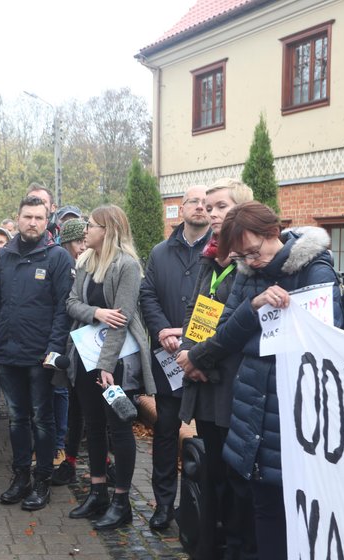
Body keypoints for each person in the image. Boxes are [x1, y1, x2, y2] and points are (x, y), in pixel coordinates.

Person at [177, 201, 342, 559]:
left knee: (295, 518)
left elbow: (323, 345)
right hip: (251, 413)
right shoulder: (248, 274)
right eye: (242, 256)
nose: (250, 262)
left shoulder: (315, 272)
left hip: (295, 419)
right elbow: (224, 334)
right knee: (259, 512)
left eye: (254, 252)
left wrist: (250, 329)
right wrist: (254, 309)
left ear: (273, 232)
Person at [174, 179, 257, 558]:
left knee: (233, 482)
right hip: (206, 383)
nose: (211, 213)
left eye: (221, 207)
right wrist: (189, 357)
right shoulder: (211, 259)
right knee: (209, 476)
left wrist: (198, 359)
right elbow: (199, 314)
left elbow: (240, 328)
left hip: (234, 388)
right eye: (209, 207)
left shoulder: (252, 264)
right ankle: (205, 546)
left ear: (241, 211)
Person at [63, 205, 155, 531]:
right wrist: (97, 313)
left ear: (108, 229)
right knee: (93, 423)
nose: (84, 231)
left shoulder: (127, 266)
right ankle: (98, 490)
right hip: (86, 359)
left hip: (116, 364)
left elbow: (124, 319)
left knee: (118, 427)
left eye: (90, 226)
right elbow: (71, 303)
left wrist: (105, 366)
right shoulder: (85, 261)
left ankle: (121, 501)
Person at [0, 195, 73, 511]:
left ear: (47, 220)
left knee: (42, 419)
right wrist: (1, 333)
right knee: (16, 418)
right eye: (27, 217)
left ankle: (42, 479)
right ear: (18, 217)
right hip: (9, 352)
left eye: (39, 217)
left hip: (41, 355)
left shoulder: (57, 258)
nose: (33, 222)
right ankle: (20, 475)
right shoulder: (5, 257)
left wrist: (53, 349)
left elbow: (62, 310)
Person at [139, 185, 211, 530]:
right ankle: (164, 505)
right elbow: (147, 294)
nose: (200, 206)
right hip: (167, 360)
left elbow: (218, 303)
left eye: (205, 202)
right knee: (166, 434)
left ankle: (197, 508)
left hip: (204, 359)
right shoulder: (159, 253)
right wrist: (162, 330)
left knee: (207, 437)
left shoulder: (219, 252)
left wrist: (189, 336)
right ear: (181, 209)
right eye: (193, 201)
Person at [52, 217, 87, 486]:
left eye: (85, 239)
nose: (83, 245)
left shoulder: (91, 266)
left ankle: (100, 461)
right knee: (68, 400)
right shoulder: (63, 267)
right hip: (65, 345)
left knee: (86, 408)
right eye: (78, 241)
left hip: (87, 347)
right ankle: (65, 453)